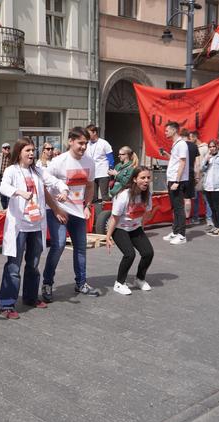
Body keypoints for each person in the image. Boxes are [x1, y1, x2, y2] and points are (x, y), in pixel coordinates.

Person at [0, 138, 69, 319]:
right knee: (13, 266)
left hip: (36, 225)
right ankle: (6, 304)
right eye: (27, 150)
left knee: (33, 264)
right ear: (19, 152)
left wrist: (64, 191)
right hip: (19, 226)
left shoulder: (38, 170)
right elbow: (4, 186)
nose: (31, 153)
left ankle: (30, 298)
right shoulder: (12, 170)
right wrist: (18, 192)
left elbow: (54, 181)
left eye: (32, 150)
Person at [41, 127, 100, 301]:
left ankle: (81, 283)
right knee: (58, 246)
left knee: (81, 248)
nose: (83, 147)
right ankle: (47, 283)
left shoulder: (89, 162)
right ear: (71, 141)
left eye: (86, 144)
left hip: (78, 212)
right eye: (80, 143)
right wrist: (56, 209)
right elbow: (44, 186)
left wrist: (87, 205)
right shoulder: (58, 162)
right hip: (57, 210)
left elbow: (90, 186)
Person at [105, 167, 156, 295]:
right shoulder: (124, 196)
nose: (146, 181)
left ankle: (139, 279)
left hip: (135, 228)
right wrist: (108, 236)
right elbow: (114, 218)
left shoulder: (147, 195)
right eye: (142, 178)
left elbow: (146, 214)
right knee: (130, 254)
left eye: (148, 178)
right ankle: (119, 283)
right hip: (119, 228)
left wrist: (142, 226)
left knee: (148, 253)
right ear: (134, 179)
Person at [159, 121, 189, 245]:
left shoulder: (182, 144)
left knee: (179, 207)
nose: (165, 132)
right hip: (172, 179)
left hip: (178, 180)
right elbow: (175, 160)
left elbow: (182, 162)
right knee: (174, 207)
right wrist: (166, 154)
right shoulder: (175, 144)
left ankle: (182, 235)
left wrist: (177, 180)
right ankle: (175, 231)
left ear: (174, 130)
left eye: (167, 130)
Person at [201, 140, 219, 237]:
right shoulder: (208, 156)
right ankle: (216, 226)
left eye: (214, 146)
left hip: (217, 186)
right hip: (208, 186)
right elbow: (202, 168)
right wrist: (206, 160)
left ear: (218, 146)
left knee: (218, 208)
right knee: (212, 207)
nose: (212, 148)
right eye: (210, 147)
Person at [86, 124, 114, 201]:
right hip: (92, 173)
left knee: (104, 196)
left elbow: (110, 158)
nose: (87, 135)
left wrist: (111, 169)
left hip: (103, 172)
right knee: (93, 197)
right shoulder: (87, 144)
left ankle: (107, 212)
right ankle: (94, 212)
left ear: (94, 132)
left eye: (89, 133)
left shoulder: (104, 143)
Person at [190, 131, 212, 226]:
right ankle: (196, 217)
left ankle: (209, 218)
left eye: (190, 138)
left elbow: (208, 162)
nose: (189, 140)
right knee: (195, 198)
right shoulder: (193, 147)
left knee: (206, 198)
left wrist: (201, 173)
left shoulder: (205, 148)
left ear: (195, 137)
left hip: (203, 176)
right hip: (194, 175)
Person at [181, 130, 200, 224]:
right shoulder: (194, 146)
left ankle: (180, 219)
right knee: (187, 198)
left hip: (180, 174)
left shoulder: (179, 145)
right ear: (189, 136)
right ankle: (187, 218)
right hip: (190, 174)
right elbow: (197, 164)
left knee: (179, 199)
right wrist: (197, 176)